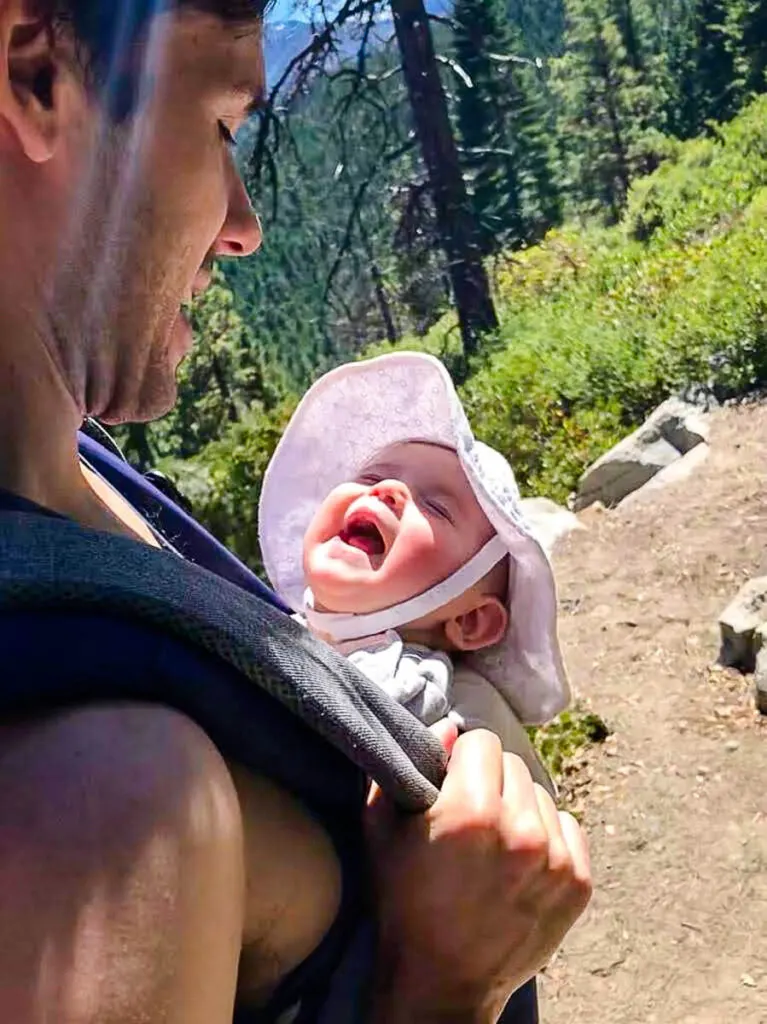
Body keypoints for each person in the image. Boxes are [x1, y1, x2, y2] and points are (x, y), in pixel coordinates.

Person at [0, 2, 592, 1022]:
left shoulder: (87, 486)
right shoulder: (109, 806)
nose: (244, 224)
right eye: (222, 124)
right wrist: (442, 985)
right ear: (34, 70)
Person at [260, 352, 570, 792]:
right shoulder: (278, 629)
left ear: (470, 620)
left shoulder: (419, 694)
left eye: (436, 507)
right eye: (371, 477)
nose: (387, 490)